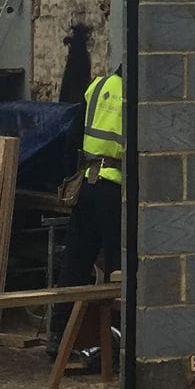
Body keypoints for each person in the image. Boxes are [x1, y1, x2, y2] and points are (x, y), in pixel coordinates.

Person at [54, 68, 124, 359]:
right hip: (116, 190)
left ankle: (58, 339)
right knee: (118, 269)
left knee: (75, 263)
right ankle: (115, 345)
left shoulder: (96, 86)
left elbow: (71, 139)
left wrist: (70, 177)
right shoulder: (138, 95)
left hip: (87, 185)